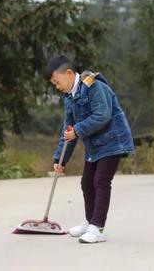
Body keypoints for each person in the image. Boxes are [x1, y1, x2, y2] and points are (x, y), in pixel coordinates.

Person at [44, 55, 134, 244]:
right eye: (54, 84)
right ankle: (89, 221)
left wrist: (77, 130)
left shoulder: (94, 86)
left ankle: (97, 228)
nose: (57, 86)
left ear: (68, 73)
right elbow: (67, 131)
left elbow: (102, 115)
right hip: (94, 146)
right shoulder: (69, 98)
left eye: (57, 81)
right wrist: (60, 159)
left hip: (113, 141)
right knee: (86, 183)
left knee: (100, 181)